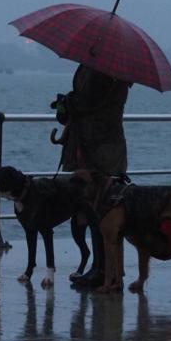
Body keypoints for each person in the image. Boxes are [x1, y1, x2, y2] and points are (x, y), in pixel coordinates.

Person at [50, 64, 132, 286]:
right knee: (96, 211)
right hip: (98, 147)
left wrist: (67, 102)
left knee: (100, 212)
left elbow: (88, 102)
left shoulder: (105, 72)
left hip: (100, 151)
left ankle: (103, 270)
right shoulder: (107, 69)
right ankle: (102, 268)